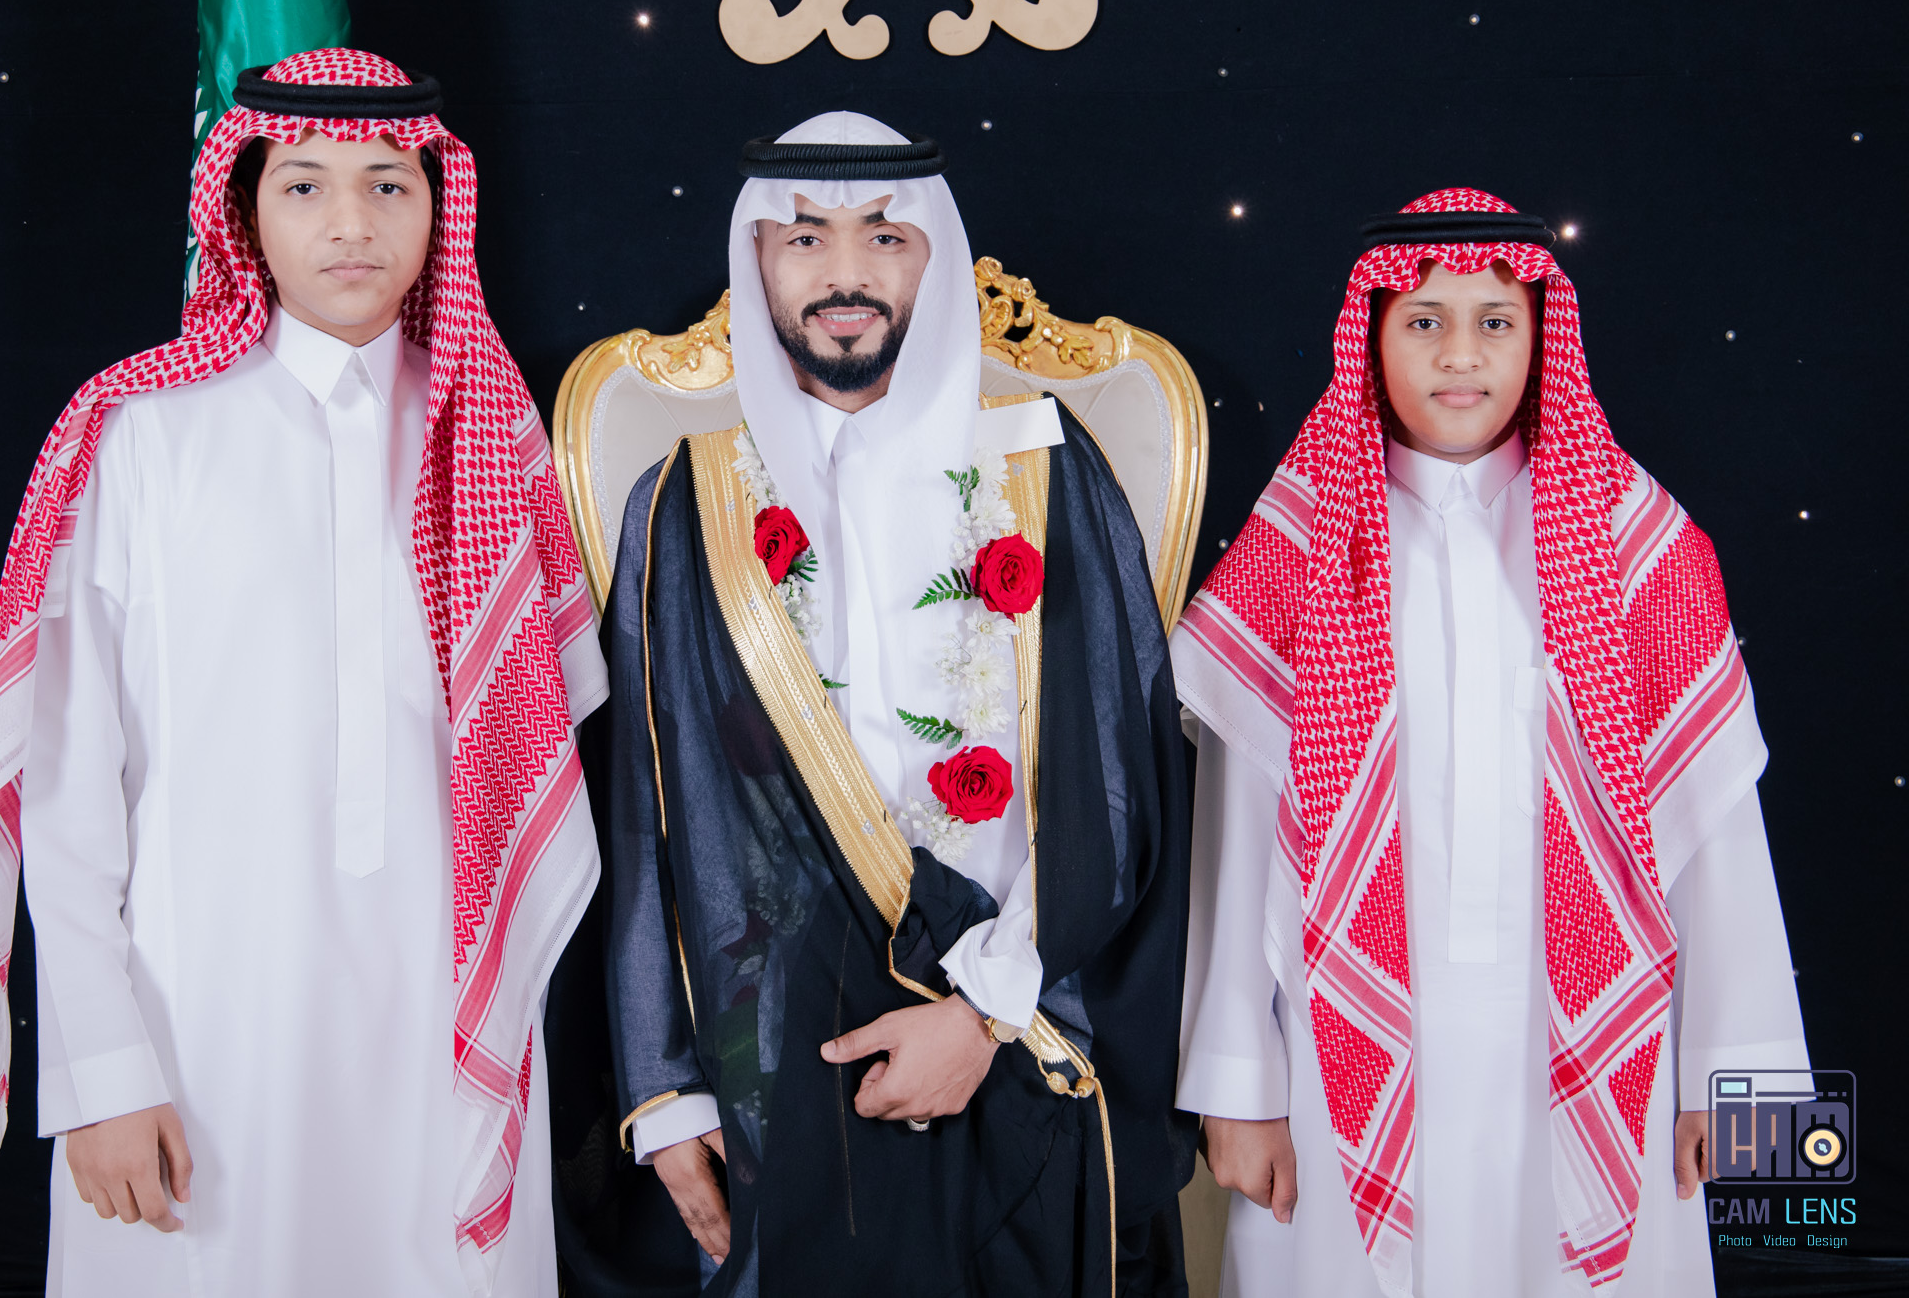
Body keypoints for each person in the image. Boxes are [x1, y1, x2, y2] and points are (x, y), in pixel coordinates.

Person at [0, 49, 606, 1297]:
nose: (350, 223)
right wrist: (101, 1071)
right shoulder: (136, 434)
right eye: (304, 186)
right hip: (196, 1022)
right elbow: (67, 787)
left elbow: (531, 765)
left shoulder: (493, 436)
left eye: (388, 185)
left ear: (438, 205)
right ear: (243, 211)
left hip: (441, 1022)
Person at [553, 113, 1192, 1296]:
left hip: (1017, 1025)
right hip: (768, 1066)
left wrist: (983, 1011)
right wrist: (661, 1089)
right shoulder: (684, 505)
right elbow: (642, 817)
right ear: (756, 260)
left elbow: (1120, 782)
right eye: (805, 237)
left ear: (933, 258)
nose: (844, 273)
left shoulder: (1043, 468)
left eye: (883, 237)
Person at [1171, 189, 1807, 1296]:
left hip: (1602, 1049)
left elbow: (1716, 835)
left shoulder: (1641, 547)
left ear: (1540, 338)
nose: (1459, 354)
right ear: (1370, 337)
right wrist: (1238, 1084)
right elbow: (1233, 847)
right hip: (1341, 1051)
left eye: (1495, 322)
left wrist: (1736, 1086)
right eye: (1423, 321)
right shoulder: (1297, 551)